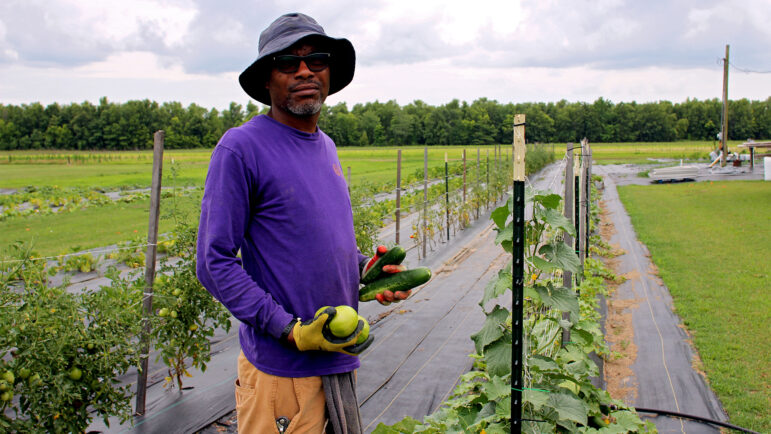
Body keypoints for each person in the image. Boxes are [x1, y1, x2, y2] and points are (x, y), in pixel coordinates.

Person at [196, 13, 413, 434]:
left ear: (329, 72)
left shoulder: (325, 146)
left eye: (316, 59)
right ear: (266, 79)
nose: (304, 71)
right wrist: (289, 330)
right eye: (286, 62)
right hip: (283, 373)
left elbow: (316, 242)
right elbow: (213, 261)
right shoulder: (241, 148)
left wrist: (366, 269)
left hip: (337, 358)